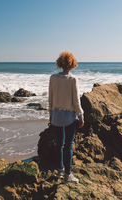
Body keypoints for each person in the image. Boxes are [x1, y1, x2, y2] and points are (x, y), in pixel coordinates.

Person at [48, 51, 84, 183]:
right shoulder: (73, 79)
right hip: (69, 117)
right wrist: (81, 115)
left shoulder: (53, 78)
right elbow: (76, 101)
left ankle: (60, 170)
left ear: (60, 63)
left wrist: (51, 115)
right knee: (68, 145)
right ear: (72, 64)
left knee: (59, 145)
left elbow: (50, 98)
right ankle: (68, 175)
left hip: (56, 115)